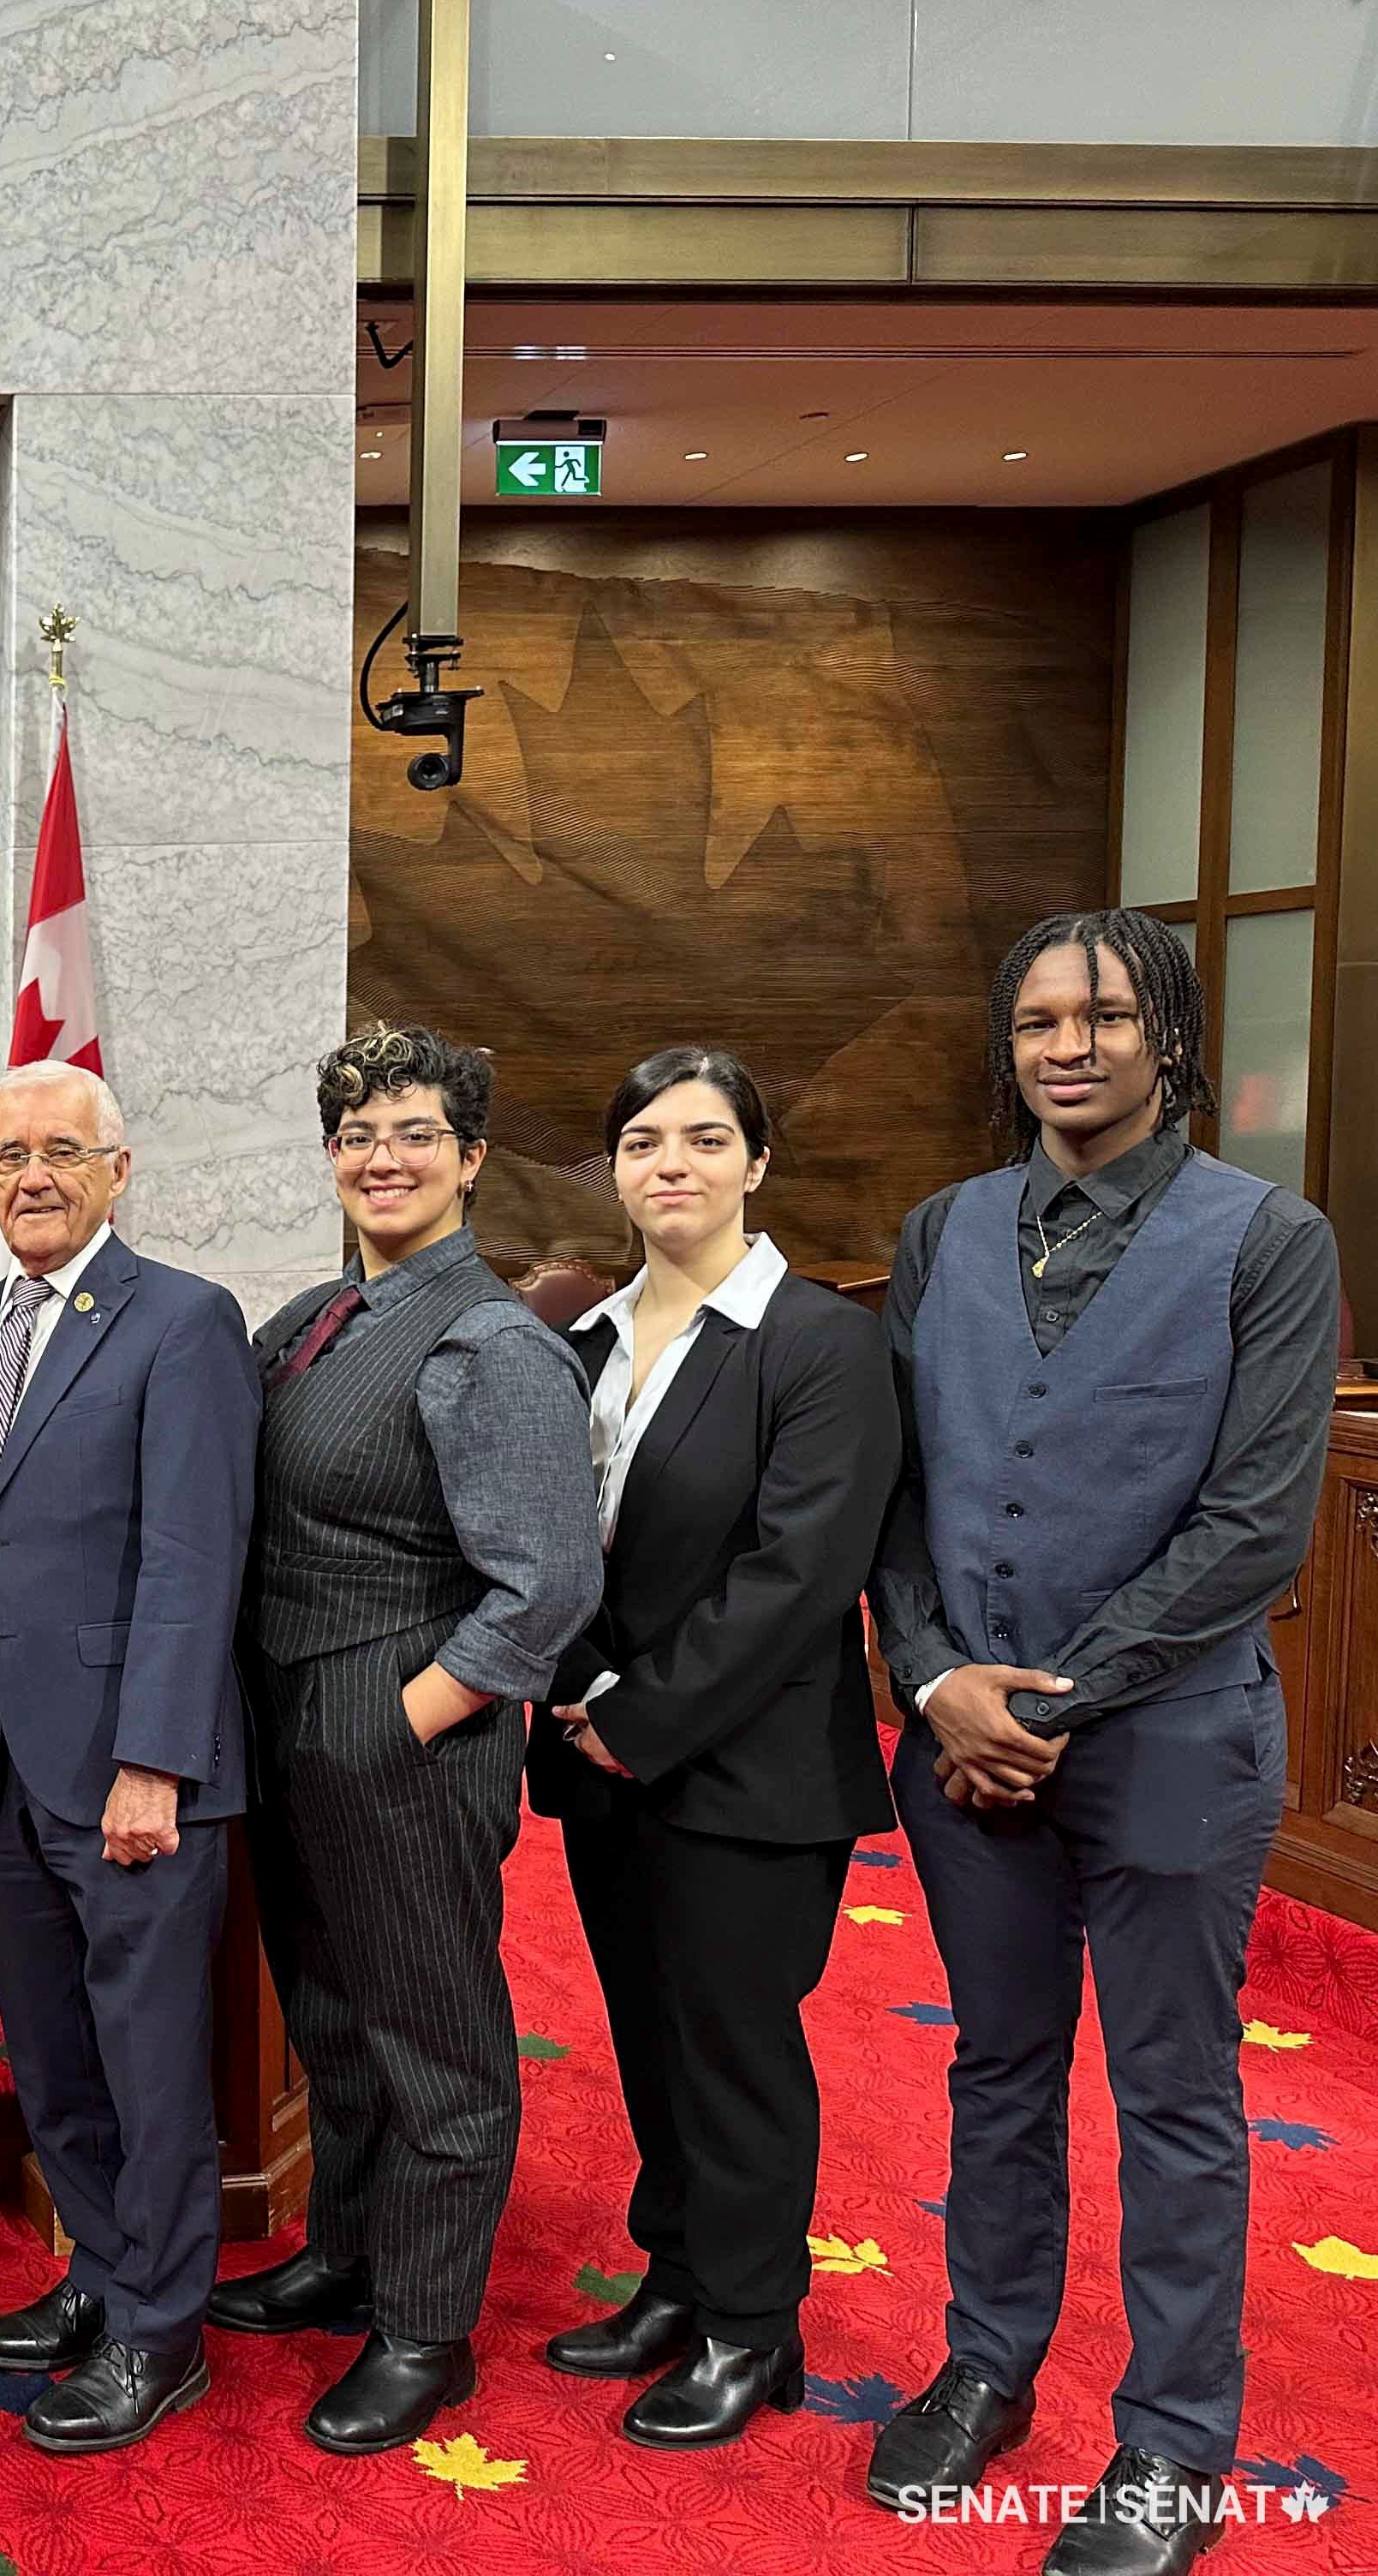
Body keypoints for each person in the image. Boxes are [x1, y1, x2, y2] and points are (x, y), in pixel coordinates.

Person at [865, 913, 1339, 2576]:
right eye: (1043, 1018)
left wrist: (1043, 1705)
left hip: (1170, 1750)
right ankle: (988, 2358)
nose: (1072, 1045)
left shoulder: (1271, 1242)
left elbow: (1257, 1527)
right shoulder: (940, 1232)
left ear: (1171, 1038)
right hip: (961, 1745)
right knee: (995, 2064)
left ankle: (1173, 2449)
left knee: (1175, 2095)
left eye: (1109, 1016)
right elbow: (900, 1493)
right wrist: (936, 1686)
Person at [219, 1021, 599, 2456]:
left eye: (415, 1136)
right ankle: (348, 2257)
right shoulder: (318, 1317)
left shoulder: (492, 1341)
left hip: (402, 1733)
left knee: (436, 2040)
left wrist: (403, 1721)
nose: (383, 1159)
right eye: (359, 1136)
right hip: (293, 1723)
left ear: (472, 1159)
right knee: (333, 2018)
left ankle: (427, 2330)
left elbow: (550, 1581)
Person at [532, 1048, 902, 2449]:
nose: (668, 1163)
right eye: (639, 1141)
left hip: (748, 1770)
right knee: (647, 2035)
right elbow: (545, 1545)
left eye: (702, 1138)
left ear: (756, 1165)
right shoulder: (581, 1342)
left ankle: (756, 2328)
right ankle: (677, 2281)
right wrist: (575, 1694)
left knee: (735, 2050)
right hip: (599, 1747)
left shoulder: (823, 1343)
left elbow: (800, 1574)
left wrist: (634, 1716)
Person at [0, 1059, 257, 2456]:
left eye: (64, 1151)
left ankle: (161, 2331)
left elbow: (195, 1555)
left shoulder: (183, 1320)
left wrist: (156, 1761)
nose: (34, 1179)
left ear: (119, 1169)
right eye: (9, 1159)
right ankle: (105, 2274)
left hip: (133, 1776)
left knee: (148, 2060)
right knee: (54, 2060)